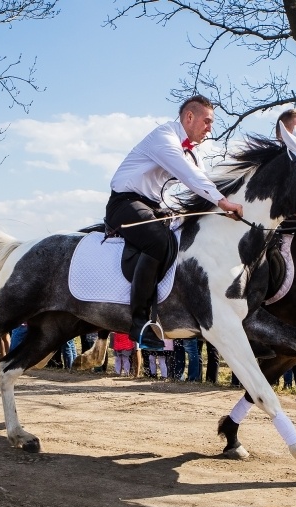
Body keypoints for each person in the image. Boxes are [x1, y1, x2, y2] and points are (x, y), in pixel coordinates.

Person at [104, 95, 243, 350]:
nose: (210, 128)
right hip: (124, 204)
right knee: (159, 242)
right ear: (189, 117)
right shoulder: (164, 138)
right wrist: (223, 203)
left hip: (152, 206)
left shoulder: (192, 152)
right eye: (207, 121)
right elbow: (190, 177)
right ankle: (139, 324)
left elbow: (204, 178)